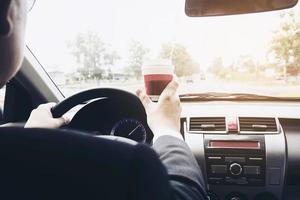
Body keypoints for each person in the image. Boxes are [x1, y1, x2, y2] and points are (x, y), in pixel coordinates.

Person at [0, 0, 208, 199]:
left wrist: (34, 138)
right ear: (7, 15)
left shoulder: (11, 158)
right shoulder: (131, 167)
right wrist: (167, 130)